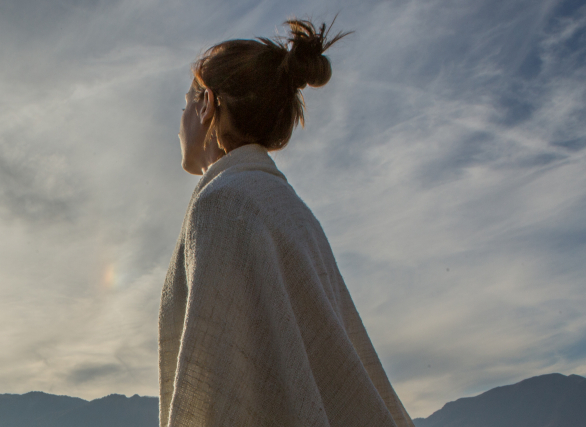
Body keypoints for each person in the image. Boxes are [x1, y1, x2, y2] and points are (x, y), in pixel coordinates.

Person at [158, 20, 415, 427]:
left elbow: (218, 384)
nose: (179, 124)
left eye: (185, 103)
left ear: (207, 103)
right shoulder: (290, 209)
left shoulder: (222, 205)